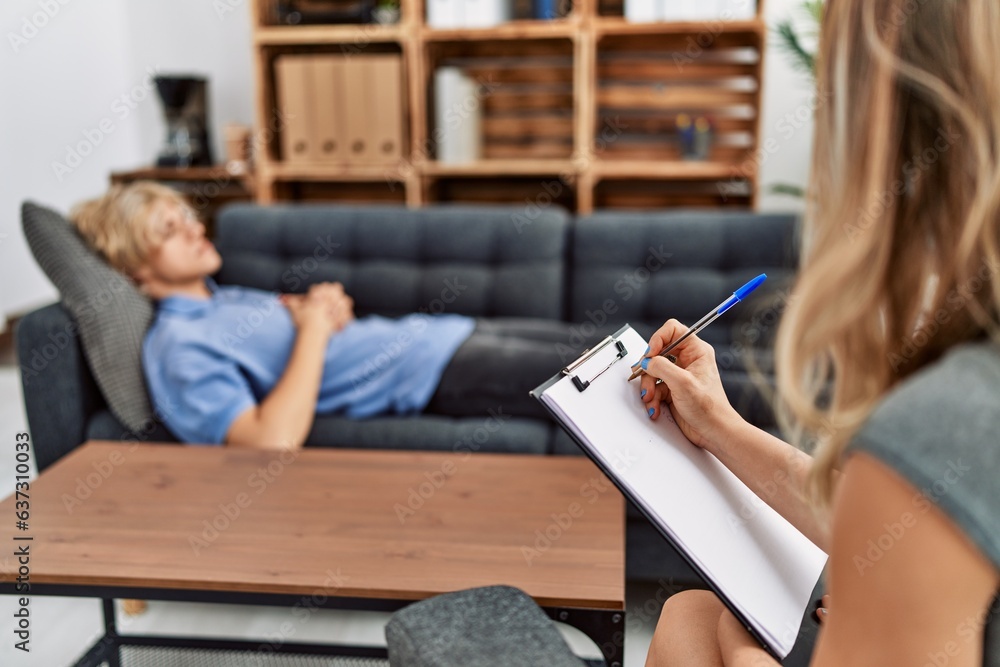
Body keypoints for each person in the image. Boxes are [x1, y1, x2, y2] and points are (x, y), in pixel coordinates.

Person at [635, 2, 1000, 665]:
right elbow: (887, 516)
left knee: (706, 626)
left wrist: (746, 641)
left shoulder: (945, 421)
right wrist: (717, 425)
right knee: (686, 613)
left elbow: (912, 489)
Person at [70, 182, 600, 449]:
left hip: (440, 334)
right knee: (604, 375)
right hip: (428, 372)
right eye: (169, 229)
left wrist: (326, 310)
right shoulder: (178, 346)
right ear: (135, 269)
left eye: (186, 215)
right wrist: (315, 329)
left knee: (610, 345)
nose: (192, 228)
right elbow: (268, 442)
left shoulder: (223, 298)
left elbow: (311, 327)